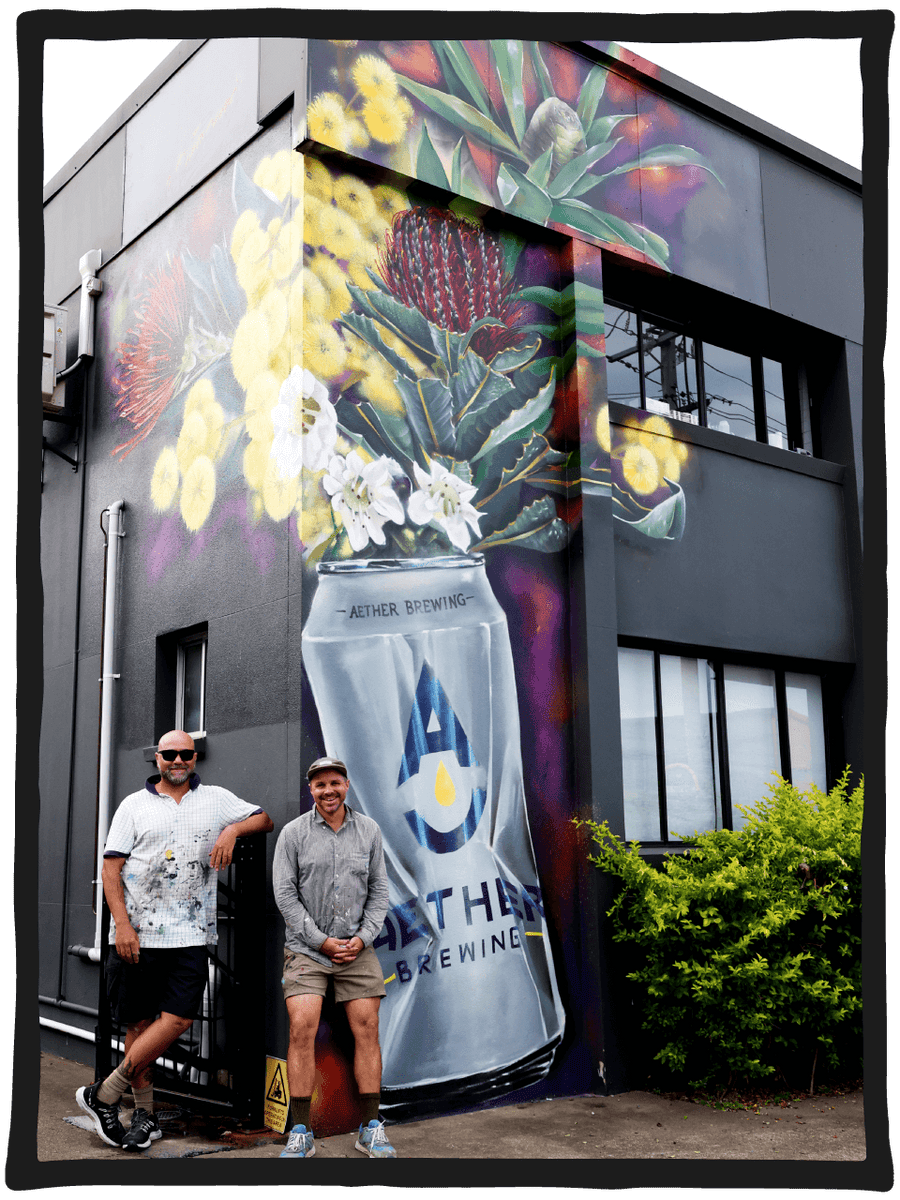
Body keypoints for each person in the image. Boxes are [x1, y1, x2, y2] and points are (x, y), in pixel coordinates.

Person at [75, 730, 274, 1151]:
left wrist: (232, 830)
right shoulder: (133, 806)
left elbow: (264, 819)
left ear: (195, 757)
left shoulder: (215, 799)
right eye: (170, 754)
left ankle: (105, 1092)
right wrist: (122, 925)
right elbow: (111, 870)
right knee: (139, 1026)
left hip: (189, 934)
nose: (178, 760)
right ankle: (144, 1116)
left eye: (186, 753)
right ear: (157, 759)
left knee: (179, 1019)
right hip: (136, 936)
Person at [273, 756, 394, 1159]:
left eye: (335, 783)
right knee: (301, 1027)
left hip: (357, 949)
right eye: (320, 784)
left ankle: (371, 1127)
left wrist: (362, 938)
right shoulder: (293, 834)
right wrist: (321, 941)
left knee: (368, 1028)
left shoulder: (369, 831)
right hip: (307, 950)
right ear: (311, 789)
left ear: (346, 785)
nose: (328, 791)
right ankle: (301, 1130)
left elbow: (379, 890)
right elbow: (285, 895)